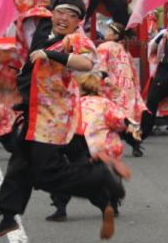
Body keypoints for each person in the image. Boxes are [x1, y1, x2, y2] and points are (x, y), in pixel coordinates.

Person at [0, 0, 122, 241]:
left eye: (71, 15)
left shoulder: (74, 39)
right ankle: (8, 215)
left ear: (78, 21)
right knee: (19, 165)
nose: (64, 18)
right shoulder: (40, 31)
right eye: (60, 11)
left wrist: (52, 54)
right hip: (33, 113)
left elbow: (87, 62)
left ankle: (100, 178)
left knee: (47, 174)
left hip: (53, 118)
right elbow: (24, 3)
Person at [47, 72, 136, 222]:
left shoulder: (72, 103)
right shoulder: (105, 103)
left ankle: (60, 208)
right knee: (109, 174)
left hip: (78, 144)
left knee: (66, 174)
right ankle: (112, 203)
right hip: (102, 147)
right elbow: (119, 121)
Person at [97, 22, 145, 156]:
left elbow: (100, 67)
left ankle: (103, 145)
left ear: (115, 35)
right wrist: (135, 88)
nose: (106, 32)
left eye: (109, 30)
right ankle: (135, 143)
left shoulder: (103, 46)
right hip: (127, 87)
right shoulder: (124, 49)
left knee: (109, 116)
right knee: (126, 117)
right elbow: (133, 72)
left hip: (111, 86)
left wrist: (102, 80)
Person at [140, 5, 168, 140]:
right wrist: (161, 38)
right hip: (163, 71)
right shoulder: (164, 31)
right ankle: (142, 134)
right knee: (151, 101)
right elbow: (152, 46)